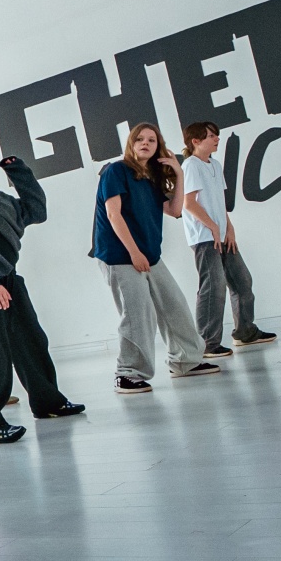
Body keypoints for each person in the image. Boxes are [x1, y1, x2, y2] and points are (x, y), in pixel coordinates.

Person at [0, 140, 86, 441]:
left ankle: (48, 402)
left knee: (31, 341)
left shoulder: (0, 200)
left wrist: (19, 171)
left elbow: (37, 210)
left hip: (8, 278)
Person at [93, 123, 219, 393]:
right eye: (140, 139)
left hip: (149, 254)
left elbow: (175, 210)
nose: (145, 143)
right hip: (119, 255)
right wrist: (134, 252)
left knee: (175, 305)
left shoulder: (151, 176)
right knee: (138, 314)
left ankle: (185, 361)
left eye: (152, 140)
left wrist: (178, 173)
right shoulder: (116, 171)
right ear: (131, 143)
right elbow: (114, 214)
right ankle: (127, 373)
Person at [181, 122, 277, 358]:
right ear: (195, 141)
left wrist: (228, 227)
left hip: (222, 234)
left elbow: (218, 202)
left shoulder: (214, 164)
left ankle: (245, 331)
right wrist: (213, 227)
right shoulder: (190, 165)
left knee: (242, 281)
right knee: (213, 288)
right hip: (204, 237)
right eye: (211, 136)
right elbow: (188, 203)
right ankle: (207, 343)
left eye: (216, 135)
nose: (217, 139)